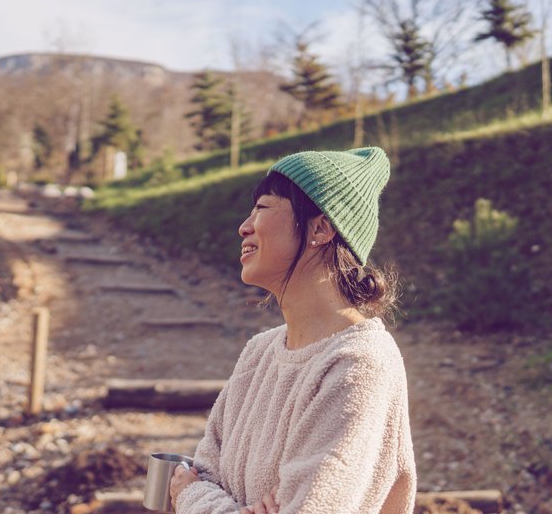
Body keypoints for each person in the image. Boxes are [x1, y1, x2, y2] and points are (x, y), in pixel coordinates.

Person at [169, 147, 416, 514]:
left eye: (263, 208)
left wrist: (191, 498)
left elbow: (193, 486)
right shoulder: (259, 352)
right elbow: (204, 470)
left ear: (320, 227)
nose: (244, 226)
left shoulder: (359, 366)